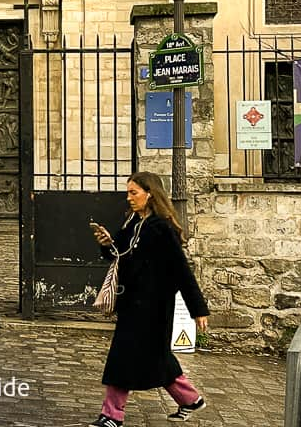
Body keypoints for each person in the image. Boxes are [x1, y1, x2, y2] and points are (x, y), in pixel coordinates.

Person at [89, 171, 209, 426]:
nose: (129, 198)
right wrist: (104, 242)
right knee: (157, 359)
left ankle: (112, 416)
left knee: (123, 357)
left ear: (150, 194)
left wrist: (198, 309)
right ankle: (190, 399)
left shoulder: (161, 227)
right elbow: (117, 253)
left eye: (134, 193)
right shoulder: (132, 222)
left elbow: (181, 270)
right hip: (133, 304)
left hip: (154, 307)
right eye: (128, 193)